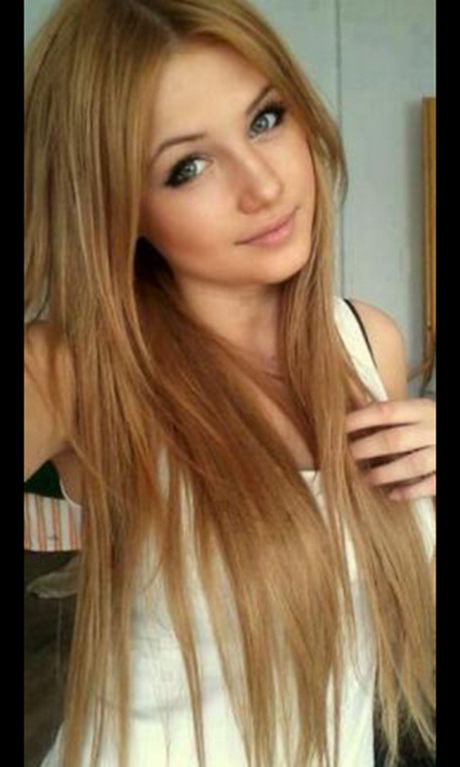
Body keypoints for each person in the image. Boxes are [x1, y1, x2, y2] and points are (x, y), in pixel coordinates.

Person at [24, 1, 436, 765]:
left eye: (265, 119)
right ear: (116, 207)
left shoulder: (368, 343)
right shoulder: (77, 367)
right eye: (188, 167)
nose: (263, 186)